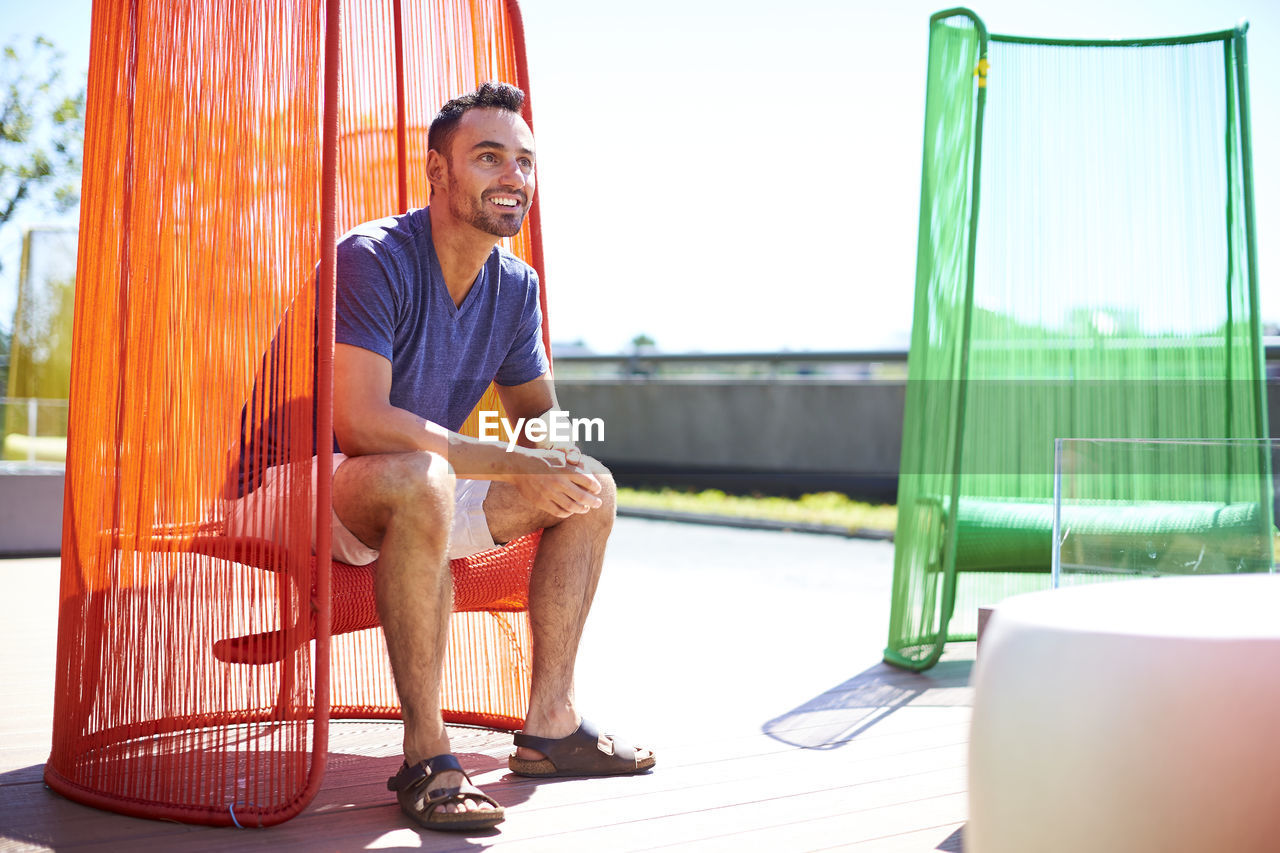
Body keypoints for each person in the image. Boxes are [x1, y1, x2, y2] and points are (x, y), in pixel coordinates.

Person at [327, 82, 653, 832]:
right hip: (308, 478)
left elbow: (540, 424)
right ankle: (426, 753)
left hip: (423, 489)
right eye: (488, 157)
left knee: (590, 487)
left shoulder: (516, 286)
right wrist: (508, 462)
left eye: (525, 162)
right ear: (437, 172)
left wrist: (559, 461)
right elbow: (361, 421)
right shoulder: (373, 257)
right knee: (424, 475)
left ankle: (550, 723)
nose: (513, 176)